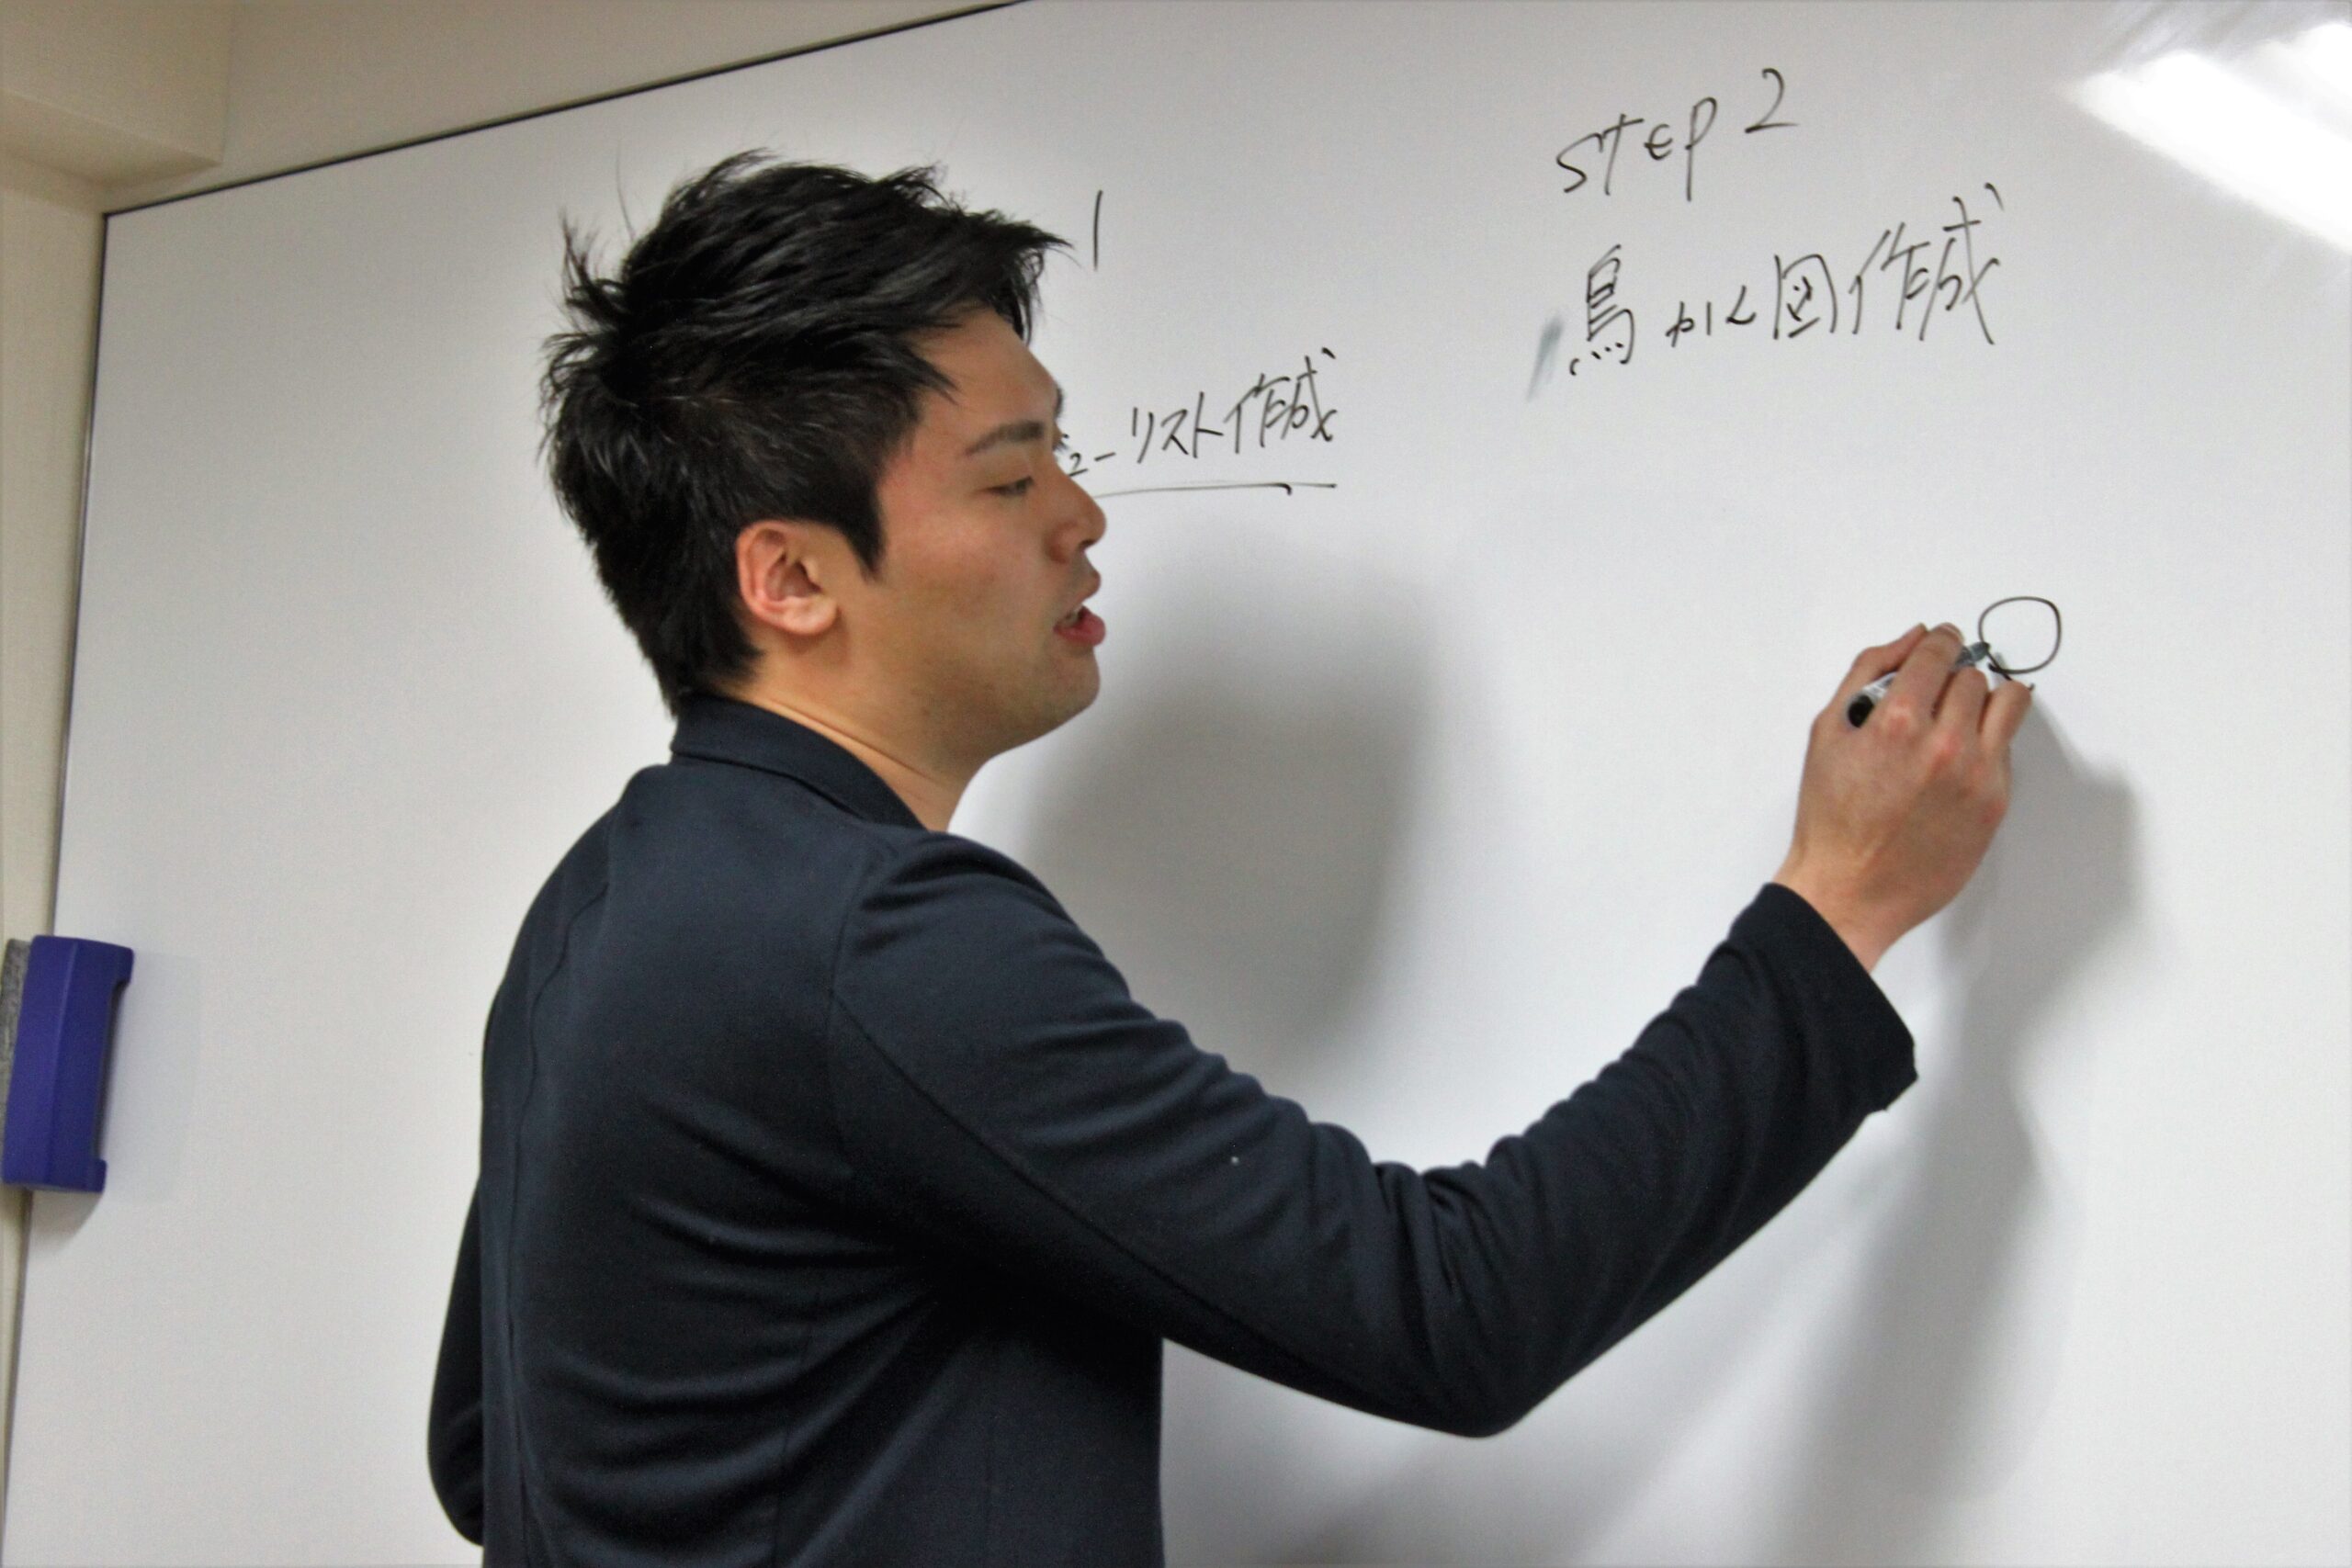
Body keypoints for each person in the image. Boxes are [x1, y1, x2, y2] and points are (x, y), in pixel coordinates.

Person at [427, 152, 2030, 1566]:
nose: (1082, 514)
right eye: (1009, 477)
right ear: (788, 579)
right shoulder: (875, 940)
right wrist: (1840, 905)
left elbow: (487, 1450)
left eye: (1059, 454)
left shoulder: (600, 900)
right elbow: (1450, 1312)